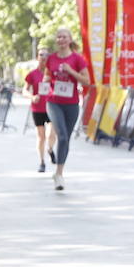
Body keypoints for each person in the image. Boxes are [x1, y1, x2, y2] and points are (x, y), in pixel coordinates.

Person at [43, 27, 90, 191]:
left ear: (70, 40)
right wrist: (44, 84)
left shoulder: (77, 59)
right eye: (59, 37)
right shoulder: (51, 59)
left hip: (71, 104)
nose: (61, 39)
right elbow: (47, 76)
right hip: (53, 101)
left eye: (64, 37)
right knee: (61, 134)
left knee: (65, 139)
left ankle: (58, 172)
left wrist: (71, 71)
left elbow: (87, 81)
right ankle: (59, 174)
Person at [25, 48, 55, 172]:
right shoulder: (32, 74)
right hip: (37, 108)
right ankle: (42, 162)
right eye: (41, 55)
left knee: (51, 134)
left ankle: (50, 149)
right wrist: (32, 97)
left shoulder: (53, 73)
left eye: (46, 55)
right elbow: (25, 90)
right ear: (38, 57)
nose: (43, 57)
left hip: (52, 107)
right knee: (41, 136)